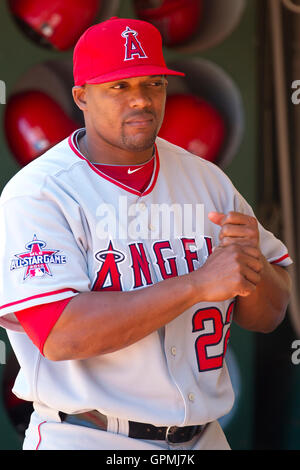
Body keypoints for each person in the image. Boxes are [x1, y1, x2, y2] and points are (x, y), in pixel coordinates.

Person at [0, 17, 292, 451]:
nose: (140, 99)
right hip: (90, 436)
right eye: (119, 86)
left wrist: (252, 268)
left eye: (153, 83)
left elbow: (269, 314)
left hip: (205, 438)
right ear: (82, 95)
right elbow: (61, 336)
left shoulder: (207, 181)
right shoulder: (40, 193)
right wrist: (197, 284)